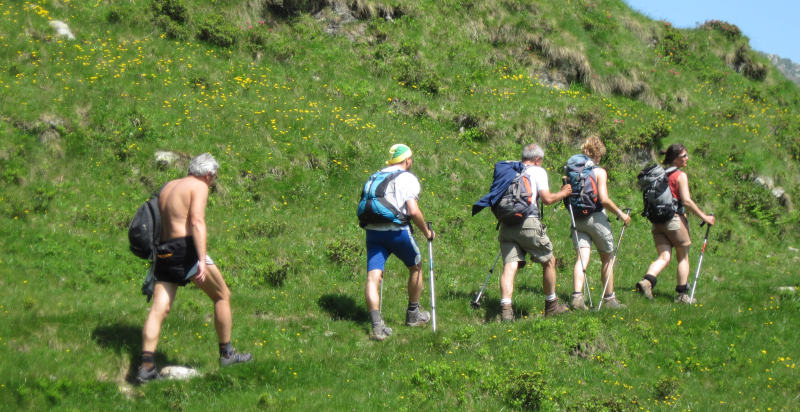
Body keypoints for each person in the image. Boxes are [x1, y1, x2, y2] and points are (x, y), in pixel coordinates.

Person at [137, 153, 252, 384]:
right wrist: (201, 259)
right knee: (222, 295)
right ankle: (227, 354)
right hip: (185, 249)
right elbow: (196, 222)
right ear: (208, 174)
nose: (213, 182)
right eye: (214, 178)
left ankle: (146, 368)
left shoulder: (169, 186)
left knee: (159, 309)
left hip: (164, 250)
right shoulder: (199, 187)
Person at [361, 144, 435, 341]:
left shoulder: (376, 176)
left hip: (373, 232)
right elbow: (413, 210)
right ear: (407, 160)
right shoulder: (406, 178)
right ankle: (413, 314)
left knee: (373, 277)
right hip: (396, 231)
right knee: (416, 267)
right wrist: (427, 232)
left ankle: (377, 326)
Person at [497, 143, 572, 321]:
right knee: (549, 261)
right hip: (528, 222)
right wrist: (564, 193)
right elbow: (546, 199)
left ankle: (506, 310)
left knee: (510, 265)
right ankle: (551, 305)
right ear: (537, 160)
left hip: (506, 224)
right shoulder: (538, 171)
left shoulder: (510, 169)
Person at [636, 143, 715, 304]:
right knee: (683, 257)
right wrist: (704, 217)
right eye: (684, 156)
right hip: (674, 220)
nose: (687, 158)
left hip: (657, 222)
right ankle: (682, 295)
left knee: (664, 256)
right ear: (676, 158)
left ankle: (647, 281)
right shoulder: (680, 175)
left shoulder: (660, 174)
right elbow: (686, 200)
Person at [568, 136, 631, 310]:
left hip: (577, 218)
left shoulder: (572, 170)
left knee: (582, 257)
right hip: (596, 218)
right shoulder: (599, 172)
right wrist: (620, 214)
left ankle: (577, 297)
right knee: (607, 258)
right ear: (598, 154)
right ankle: (609, 300)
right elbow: (603, 199)